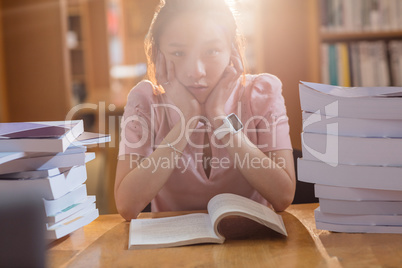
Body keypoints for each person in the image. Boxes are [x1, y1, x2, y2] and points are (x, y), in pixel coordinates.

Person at [115, 0, 295, 220]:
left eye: (211, 51)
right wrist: (187, 120)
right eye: (179, 53)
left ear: (232, 51)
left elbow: (283, 195)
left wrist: (219, 116)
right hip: (171, 249)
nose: (196, 72)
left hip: (252, 246)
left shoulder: (261, 92)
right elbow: (126, 205)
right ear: (157, 55)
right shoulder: (144, 100)